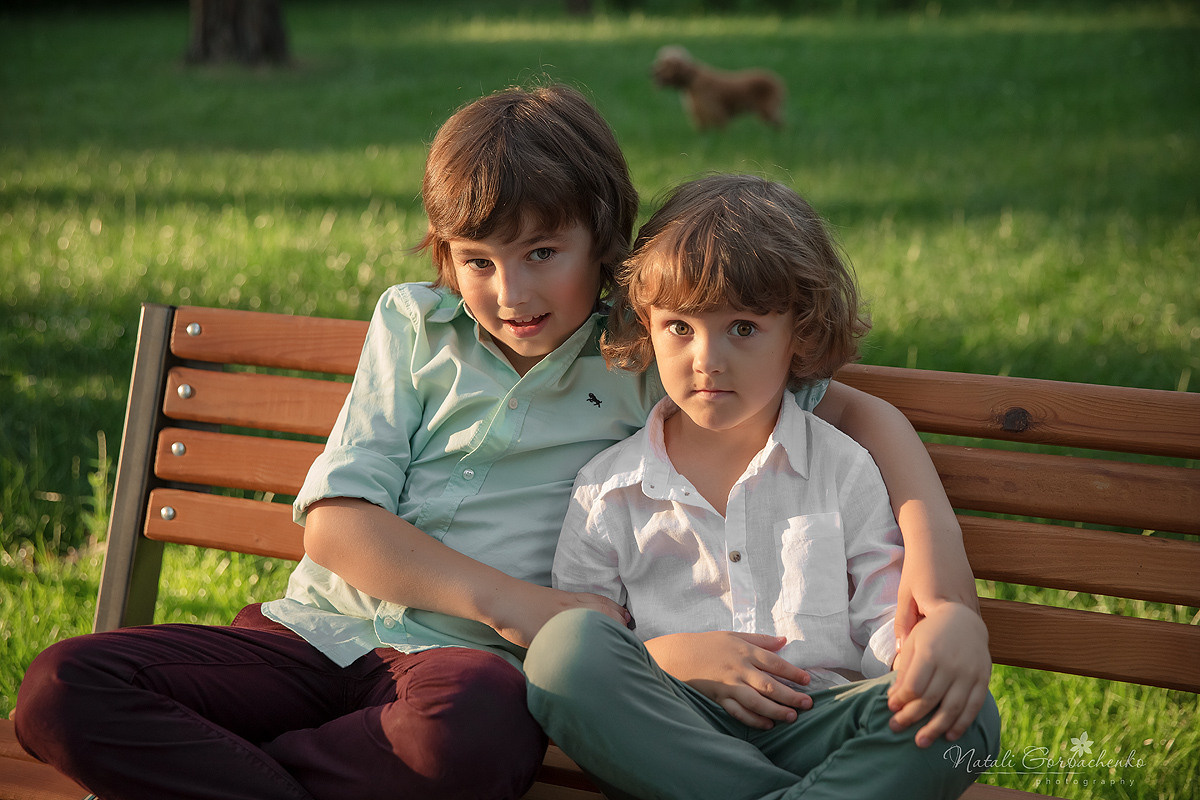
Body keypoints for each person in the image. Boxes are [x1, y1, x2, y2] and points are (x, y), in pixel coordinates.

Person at [15, 87, 984, 800]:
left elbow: (846, 408)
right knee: (64, 685)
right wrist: (533, 607)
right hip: (314, 631)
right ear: (443, 257)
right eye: (478, 260)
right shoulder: (415, 323)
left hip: (467, 671)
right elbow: (339, 526)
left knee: (474, 733)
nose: (512, 294)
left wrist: (947, 604)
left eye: (542, 256)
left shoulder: (649, 343)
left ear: (605, 243)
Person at [525, 174, 1001, 800]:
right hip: (674, 728)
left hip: (820, 725)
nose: (707, 358)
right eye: (680, 328)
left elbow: (889, 623)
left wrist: (930, 648)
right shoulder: (609, 490)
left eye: (743, 328)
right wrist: (670, 658)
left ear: (799, 332)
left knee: (962, 721)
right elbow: (594, 637)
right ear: (646, 324)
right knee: (562, 652)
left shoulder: (843, 468)